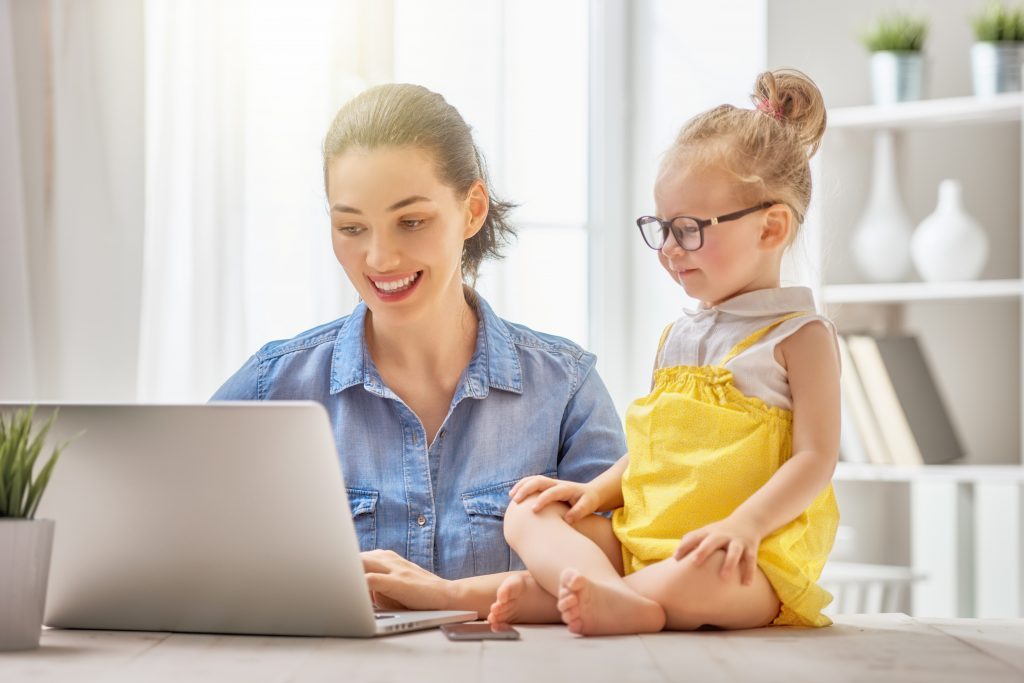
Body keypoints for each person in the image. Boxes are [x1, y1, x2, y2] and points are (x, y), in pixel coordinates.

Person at [211, 83, 625, 618]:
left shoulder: (565, 389)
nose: (380, 258)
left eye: (411, 222)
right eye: (352, 227)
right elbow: (178, 545)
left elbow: (619, 568)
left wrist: (447, 598)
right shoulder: (273, 385)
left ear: (472, 210)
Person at [487, 69, 840, 635]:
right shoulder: (677, 337)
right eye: (662, 228)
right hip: (647, 537)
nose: (670, 250)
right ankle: (613, 594)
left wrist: (745, 527)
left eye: (689, 229)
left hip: (743, 559)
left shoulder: (800, 336)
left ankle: (584, 595)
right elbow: (657, 449)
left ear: (771, 228)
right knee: (528, 512)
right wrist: (594, 490)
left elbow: (814, 460)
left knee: (699, 578)